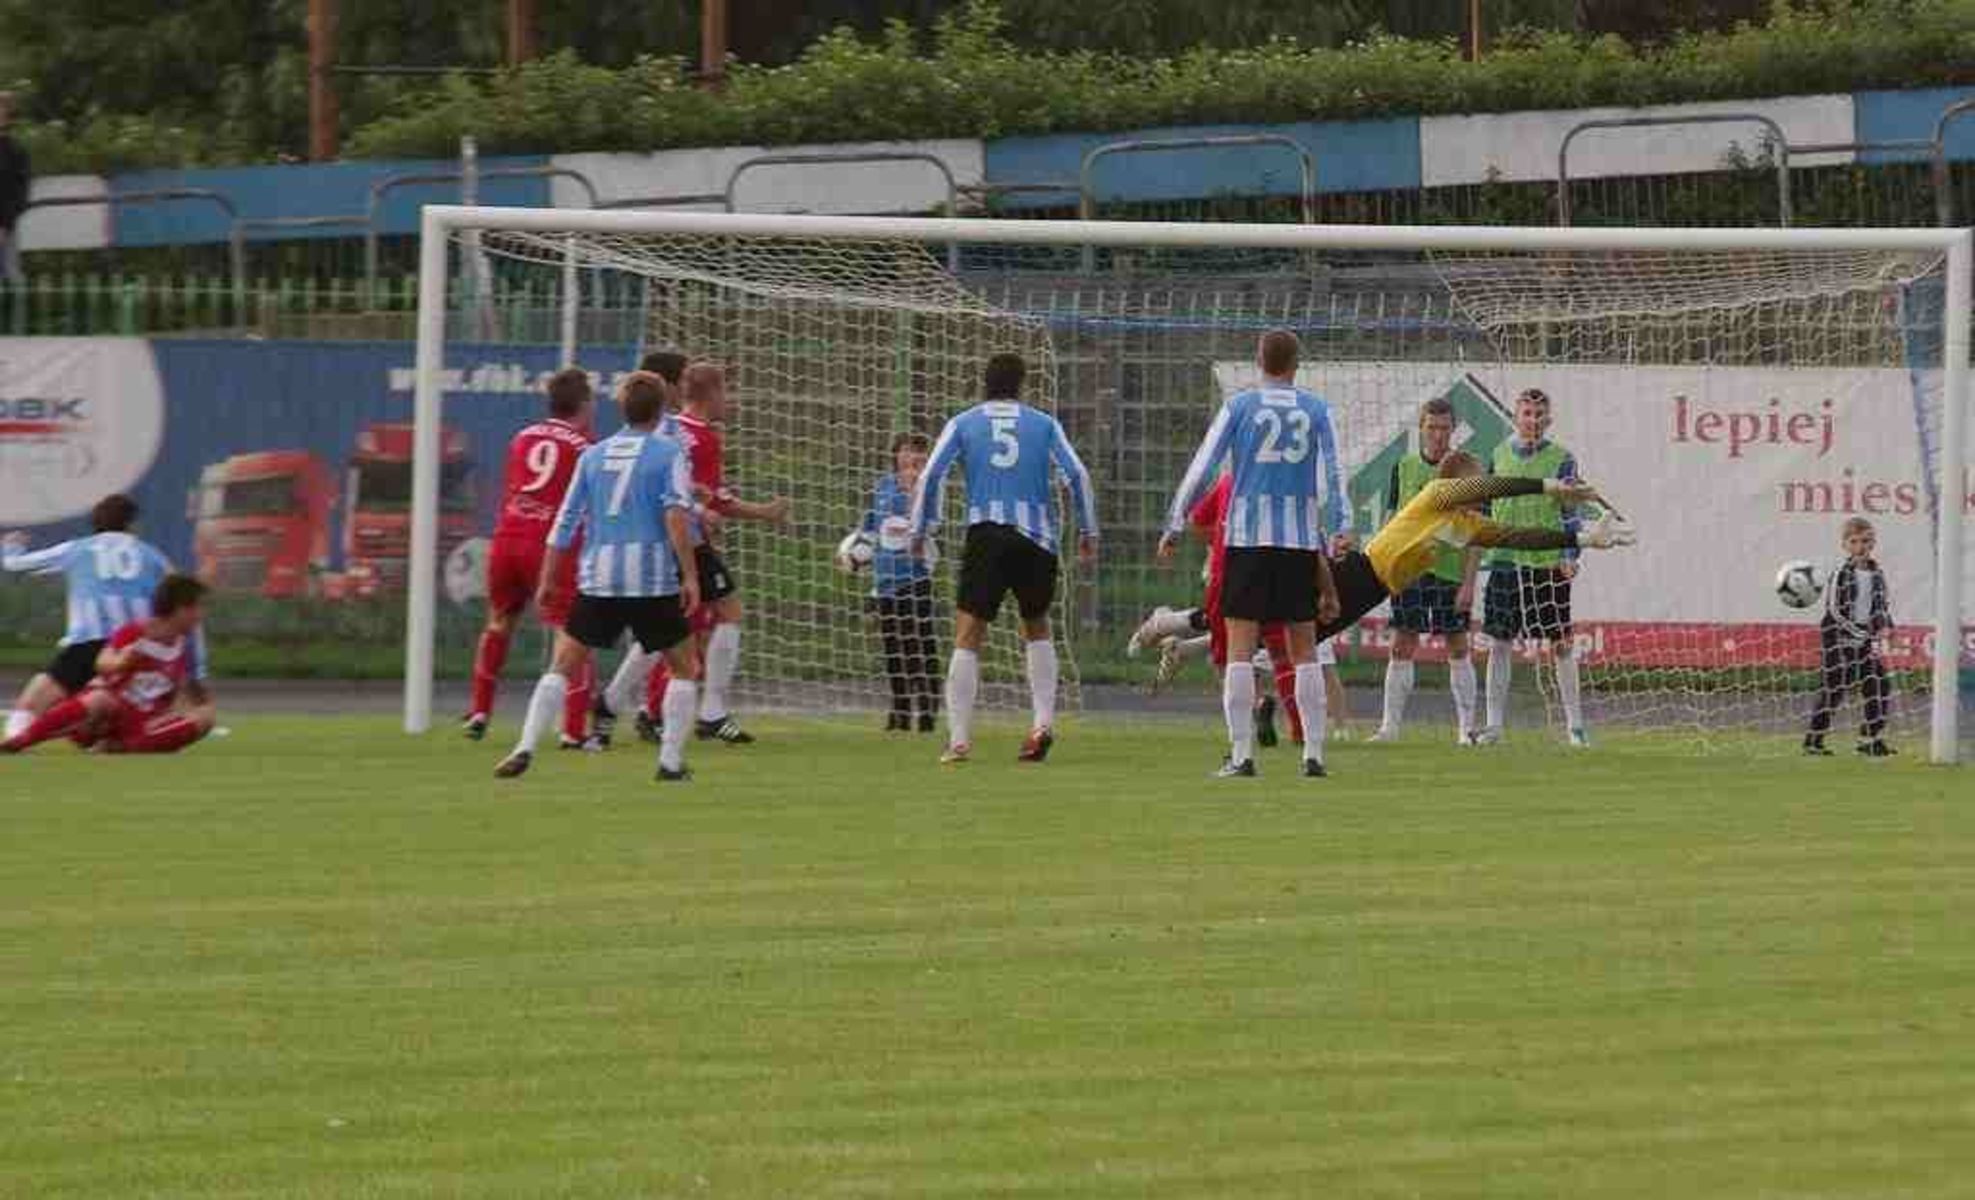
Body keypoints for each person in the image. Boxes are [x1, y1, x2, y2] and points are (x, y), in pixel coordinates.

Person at [494, 373, 703, 781]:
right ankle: (670, 762)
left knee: (561, 665)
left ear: (620, 408)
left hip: (599, 579)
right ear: (661, 410)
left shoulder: (593, 455)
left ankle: (524, 747)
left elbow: (566, 520)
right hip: (651, 579)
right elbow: (676, 515)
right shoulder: (668, 452)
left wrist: (548, 578)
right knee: (684, 666)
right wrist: (690, 575)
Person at [1160, 329, 1346, 779]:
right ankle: (1314, 756)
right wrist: (1342, 527)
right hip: (1298, 543)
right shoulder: (1317, 409)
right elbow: (1335, 472)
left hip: (1246, 542)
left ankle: (1242, 756)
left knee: (1240, 649)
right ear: (1296, 364)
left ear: (1258, 362)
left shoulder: (1240, 406)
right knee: (1305, 648)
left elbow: (1202, 466)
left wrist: (1175, 522)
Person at [909, 351, 1098, 764]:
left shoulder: (964, 422)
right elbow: (1077, 474)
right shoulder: (1044, 424)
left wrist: (921, 529)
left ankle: (959, 740)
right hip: (1037, 538)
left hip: (987, 533)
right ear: (1021, 386)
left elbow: (931, 475)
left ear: (985, 383)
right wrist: (1088, 530)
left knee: (968, 632)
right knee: (1037, 625)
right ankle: (1042, 724)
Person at [1306, 452, 1630, 654]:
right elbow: (1490, 487)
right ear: (1457, 482)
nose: (1483, 486)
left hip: (1373, 590)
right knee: (1293, 636)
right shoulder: (1435, 494)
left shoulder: (1467, 523)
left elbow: (1519, 536)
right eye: (1476, 479)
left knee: (1300, 644)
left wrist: (1582, 539)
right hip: (1355, 573)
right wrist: (1547, 485)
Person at [637, 362, 792, 747]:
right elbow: (717, 500)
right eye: (727, 391)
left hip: (653, 537)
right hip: (684, 541)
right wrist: (766, 512)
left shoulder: (666, 426)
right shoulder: (702, 437)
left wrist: (700, 508)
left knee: (678, 627)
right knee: (724, 612)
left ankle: (641, 708)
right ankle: (708, 712)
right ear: (713, 394)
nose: (731, 400)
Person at [464, 368, 596, 746]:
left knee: (499, 621)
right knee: (573, 634)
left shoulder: (522, 437)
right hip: (549, 545)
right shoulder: (584, 448)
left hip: (508, 538)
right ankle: (573, 731)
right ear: (584, 404)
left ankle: (479, 710)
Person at [2, 494, 203, 740]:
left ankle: (17, 739)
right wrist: (195, 667)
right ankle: (114, 733)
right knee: (128, 710)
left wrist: (11, 547)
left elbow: (15, 564)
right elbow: (181, 598)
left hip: (89, 643)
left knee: (33, 704)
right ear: (132, 524)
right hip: (137, 647)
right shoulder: (152, 555)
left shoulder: (77, 548)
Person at [1477, 388, 1594, 747]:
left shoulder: (1562, 459)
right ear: (1515, 417)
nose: (1533, 420)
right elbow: (1485, 509)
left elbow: (1571, 513)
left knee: (1561, 644)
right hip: (1506, 560)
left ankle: (1575, 728)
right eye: (1527, 413)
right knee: (1499, 643)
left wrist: (1571, 555)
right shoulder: (1497, 456)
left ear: (1549, 419)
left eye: (1539, 414)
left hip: (1546, 562)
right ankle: (1494, 726)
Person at [3, 574, 215, 755]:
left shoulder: (183, 646)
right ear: (181, 609)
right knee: (101, 698)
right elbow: (103, 662)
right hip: (105, 718)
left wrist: (186, 714)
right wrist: (121, 662)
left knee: (205, 717)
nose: (201, 615)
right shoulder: (136, 632)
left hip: (143, 722)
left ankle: (122, 747)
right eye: (198, 607)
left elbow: (179, 692)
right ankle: (22, 740)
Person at [1372, 396, 1482, 743]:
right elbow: (1392, 522)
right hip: (1410, 570)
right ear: (1420, 428)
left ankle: (1466, 730)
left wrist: (1469, 583)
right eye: (1431, 427)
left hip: (1449, 571)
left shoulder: (1466, 470)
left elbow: (1476, 533)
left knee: (1458, 646)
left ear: (1453, 429)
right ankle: (1390, 729)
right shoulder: (1403, 467)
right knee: (1402, 643)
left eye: (1444, 428)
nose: (1438, 434)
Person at [861, 431, 940, 732]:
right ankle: (900, 713)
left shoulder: (928, 487)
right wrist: (854, 553)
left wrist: (913, 494)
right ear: (895, 455)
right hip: (885, 580)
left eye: (917, 451)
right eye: (905, 450)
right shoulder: (882, 486)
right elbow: (870, 530)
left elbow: (932, 526)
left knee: (920, 646)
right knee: (893, 650)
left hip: (915, 577)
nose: (911, 456)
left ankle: (928, 713)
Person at [1804, 517, 1896, 757]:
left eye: (1865, 541)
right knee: (1834, 687)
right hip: (1837, 638)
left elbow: (1881, 607)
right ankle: (1813, 741)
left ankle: (1869, 739)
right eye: (1854, 541)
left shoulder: (1877, 574)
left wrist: (1887, 627)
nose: (1860, 546)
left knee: (1879, 684)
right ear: (1844, 545)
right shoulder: (1840, 574)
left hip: (1863, 638)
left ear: (1873, 543)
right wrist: (1860, 633)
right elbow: (1834, 611)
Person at [0, 92, 28, 285]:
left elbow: (20, 192)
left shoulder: (16, 150)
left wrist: (5, 224)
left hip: (7, 226)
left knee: (12, 276)